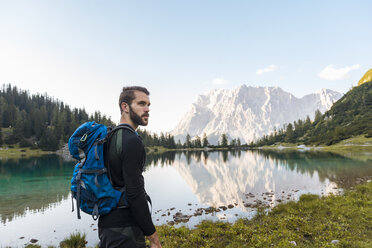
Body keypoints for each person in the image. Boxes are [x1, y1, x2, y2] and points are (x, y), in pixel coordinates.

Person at [98, 86, 162, 248]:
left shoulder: (109, 136)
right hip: (125, 230)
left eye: (148, 105)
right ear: (125, 107)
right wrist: (153, 238)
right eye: (141, 104)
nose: (147, 109)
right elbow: (135, 194)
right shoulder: (131, 140)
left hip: (106, 225)